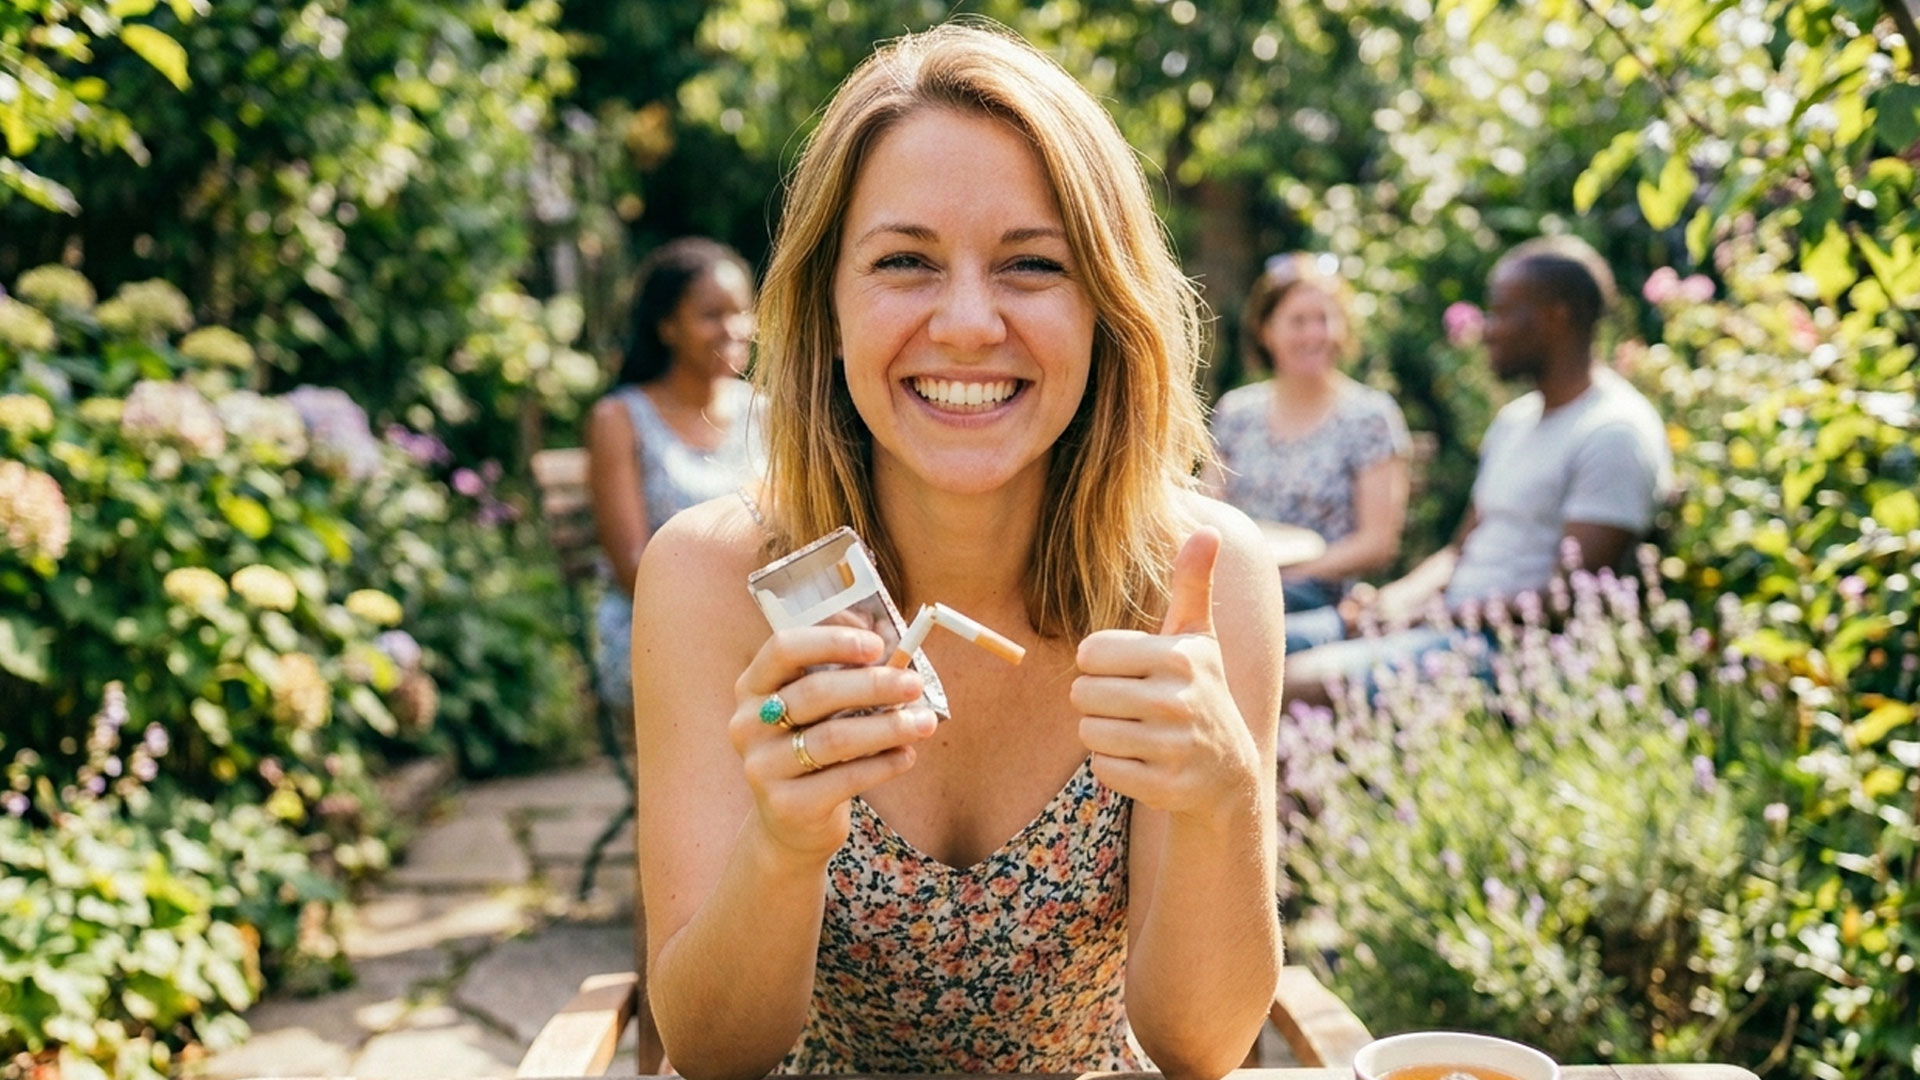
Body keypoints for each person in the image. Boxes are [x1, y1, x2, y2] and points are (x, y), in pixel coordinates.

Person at [630, 22, 1283, 1078]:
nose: (971, 324)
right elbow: (712, 1052)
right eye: (904, 262)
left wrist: (1223, 795)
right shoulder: (712, 578)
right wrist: (787, 843)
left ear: (1108, 307)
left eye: (1032, 264)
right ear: (827, 307)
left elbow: (1198, 1048)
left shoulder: (1199, 579)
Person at [1282, 234, 1672, 707]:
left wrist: (1436, 618)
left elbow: (1569, 598)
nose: (1487, 329)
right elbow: (1459, 550)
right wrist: (1395, 602)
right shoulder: (1515, 422)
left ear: (1555, 317)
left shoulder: (1613, 432)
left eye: (1503, 311)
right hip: (1446, 623)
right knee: (1253, 646)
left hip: (1510, 652)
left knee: (1291, 682)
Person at [586, 236, 761, 715]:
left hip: (767, 623)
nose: (733, 328)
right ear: (667, 326)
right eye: (711, 315)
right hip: (657, 631)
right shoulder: (620, 420)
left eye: (741, 311)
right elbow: (633, 570)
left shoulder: (765, 416)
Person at [1204, 253, 1411, 653]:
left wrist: (1294, 571)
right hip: (1235, 587)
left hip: (1318, 600)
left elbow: (1377, 542)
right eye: (1299, 321)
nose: (1314, 334)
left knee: (1242, 643)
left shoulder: (1369, 417)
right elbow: (1210, 507)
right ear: (1267, 331)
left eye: (1325, 319)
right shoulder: (1237, 411)